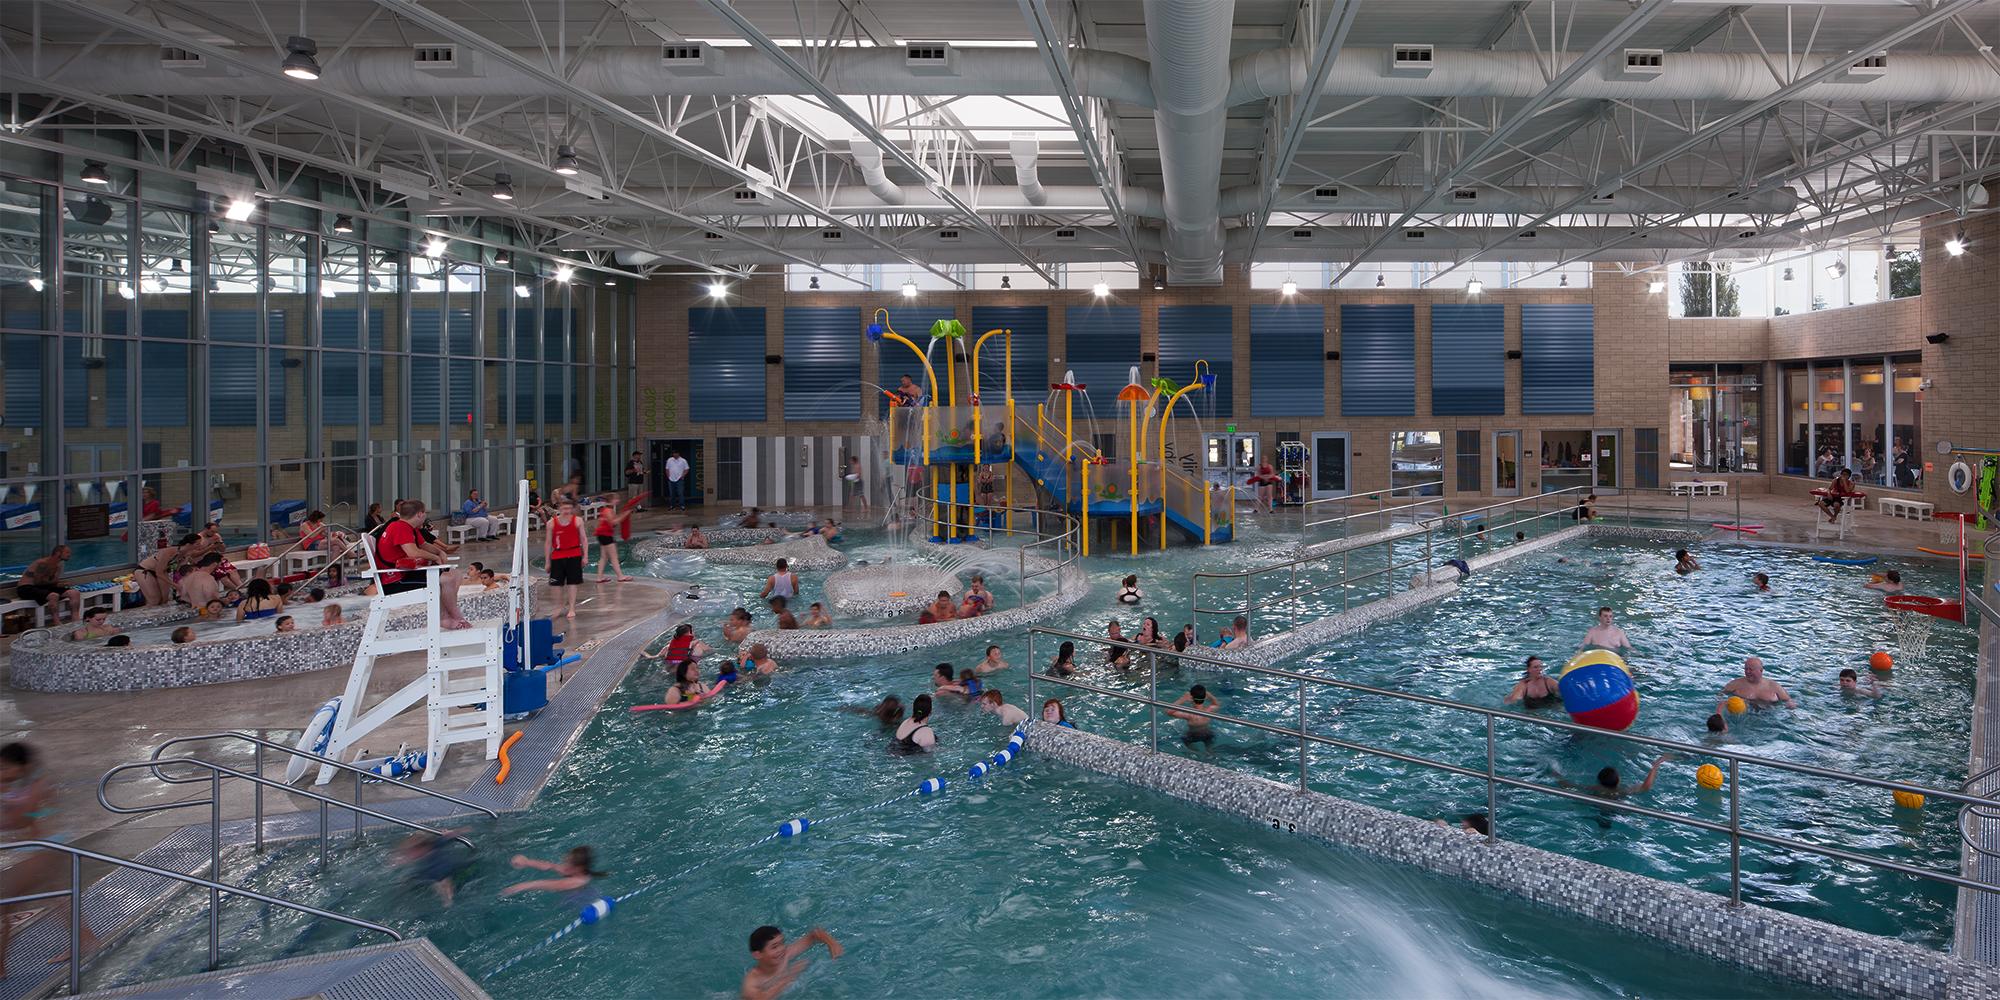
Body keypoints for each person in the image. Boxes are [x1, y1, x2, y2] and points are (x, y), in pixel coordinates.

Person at [0, 743, 98, 974]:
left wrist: (5, 803)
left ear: (21, 765)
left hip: (43, 852)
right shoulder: (29, 783)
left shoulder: (37, 785)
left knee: (6, 905)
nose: (2, 771)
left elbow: (22, 820)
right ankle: (86, 941)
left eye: (5, 767)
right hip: (45, 849)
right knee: (58, 898)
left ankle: (0, 966)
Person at [379, 501, 474, 629]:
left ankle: (445, 615)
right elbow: (412, 552)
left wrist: (441, 552)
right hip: (394, 580)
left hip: (405, 572)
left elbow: (424, 545)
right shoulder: (399, 527)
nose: (425, 516)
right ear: (419, 514)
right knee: (447, 579)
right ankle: (454, 616)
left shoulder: (410, 527)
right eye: (425, 513)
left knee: (456, 575)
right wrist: (435, 557)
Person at [741, 925, 843, 1000]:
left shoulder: (784, 955)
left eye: (782, 943)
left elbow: (814, 934)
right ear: (757, 955)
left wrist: (832, 944)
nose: (781, 949)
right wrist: (791, 975)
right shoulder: (752, 980)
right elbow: (762, 998)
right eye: (774, 947)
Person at [396, 830, 473, 906]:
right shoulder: (434, 845)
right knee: (407, 881)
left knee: (441, 884)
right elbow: (451, 835)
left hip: (444, 869)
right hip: (430, 872)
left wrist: (448, 901)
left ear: (424, 848)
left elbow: (445, 881)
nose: (411, 855)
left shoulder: (435, 854)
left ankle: (448, 902)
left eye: (413, 851)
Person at [501, 846, 606, 897]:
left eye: (568, 863)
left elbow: (545, 884)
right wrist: (527, 862)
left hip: (580, 902)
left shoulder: (576, 882)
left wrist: (519, 887)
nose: (564, 865)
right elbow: (550, 866)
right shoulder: (576, 871)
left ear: (579, 868)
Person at [543, 498, 587, 619]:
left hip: (574, 554)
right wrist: (547, 561)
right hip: (558, 554)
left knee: (572, 582)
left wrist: (585, 556)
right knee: (556, 583)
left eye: (568, 508)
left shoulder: (578, 521)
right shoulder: (551, 523)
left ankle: (572, 607)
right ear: (559, 508)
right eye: (564, 508)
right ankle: (559, 606)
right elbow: (547, 543)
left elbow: (583, 539)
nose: (566, 510)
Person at [1556, 755, 1672, 800]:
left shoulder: (1594, 789)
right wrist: (1655, 766)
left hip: (1596, 807)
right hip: (1617, 810)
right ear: (1618, 780)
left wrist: (1555, 774)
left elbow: (1568, 786)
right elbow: (1646, 787)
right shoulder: (1623, 791)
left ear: (1599, 781)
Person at [17, 545, 83, 624]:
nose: (69, 554)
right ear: (58, 553)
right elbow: (38, 583)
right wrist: (58, 584)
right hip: (26, 588)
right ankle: (57, 622)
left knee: (74, 593)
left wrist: (61, 584)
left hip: (43, 587)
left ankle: (75, 619)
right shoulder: (42, 563)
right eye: (67, 552)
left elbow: (52, 583)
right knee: (54, 595)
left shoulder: (58, 566)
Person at [1716, 656, 1797, 713]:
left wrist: (1790, 706)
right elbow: (1720, 694)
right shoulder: (1735, 684)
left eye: (1751, 669)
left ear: (1761, 671)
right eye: (1746, 669)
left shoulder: (1774, 686)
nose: (1747, 672)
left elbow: (1788, 700)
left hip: (1768, 715)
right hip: (1744, 715)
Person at [1169, 684, 1220, 749]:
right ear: (1205, 697)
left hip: (1192, 736)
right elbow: (1216, 704)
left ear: (1191, 698)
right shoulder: (1209, 711)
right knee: (1209, 751)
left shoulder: (1189, 714)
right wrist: (1209, 694)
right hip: (1208, 734)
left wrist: (1183, 699)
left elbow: (1169, 712)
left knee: (1188, 745)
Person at [594, 500, 633, 583]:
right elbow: (613, 522)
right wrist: (625, 514)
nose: (618, 501)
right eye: (616, 499)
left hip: (601, 535)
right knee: (614, 557)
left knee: (604, 557)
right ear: (611, 501)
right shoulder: (609, 510)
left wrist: (622, 515)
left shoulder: (604, 510)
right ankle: (620, 576)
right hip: (606, 535)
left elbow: (612, 523)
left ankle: (599, 577)